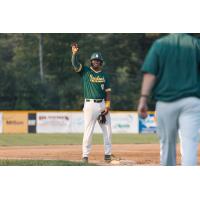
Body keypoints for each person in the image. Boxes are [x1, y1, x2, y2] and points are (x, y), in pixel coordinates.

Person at [137, 33, 200, 166]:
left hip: (166, 102)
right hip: (192, 101)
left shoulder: (160, 44)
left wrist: (143, 99)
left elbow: (150, 73)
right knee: (190, 146)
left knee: (167, 146)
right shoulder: (196, 44)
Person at [71, 42, 112, 163]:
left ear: (101, 62)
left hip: (102, 104)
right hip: (89, 104)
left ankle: (108, 155)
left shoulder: (105, 75)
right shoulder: (85, 71)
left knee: (108, 130)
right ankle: (85, 155)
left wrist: (107, 107)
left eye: (98, 61)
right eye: (94, 60)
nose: (96, 62)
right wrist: (74, 54)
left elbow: (108, 92)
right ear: (91, 62)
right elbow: (75, 64)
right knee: (88, 130)